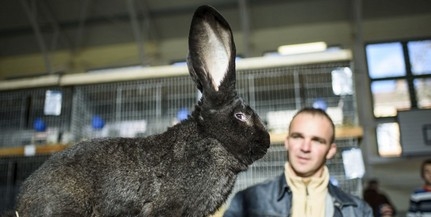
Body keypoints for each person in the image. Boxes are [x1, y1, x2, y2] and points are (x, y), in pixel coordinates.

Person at [223, 107, 372, 217]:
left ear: (331, 150)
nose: (305, 147)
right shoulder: (248, 201)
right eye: (298, 137)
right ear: (287, 142)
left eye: (317, 140)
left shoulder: (357, 211)